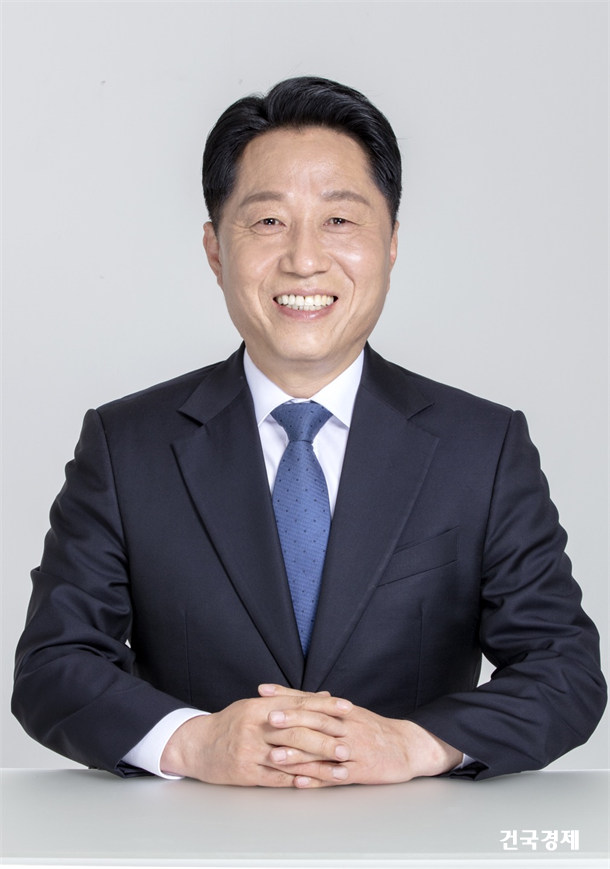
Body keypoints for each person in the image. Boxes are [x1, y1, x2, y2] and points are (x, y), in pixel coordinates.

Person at [13, 76, 606, 788]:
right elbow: (54, 665)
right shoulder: (125, 445)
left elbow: (564, 670)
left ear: (391, 243)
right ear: (214, 249)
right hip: (191, 833)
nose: (303, 258)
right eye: (268, 221)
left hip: (419, 833)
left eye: (339, 220)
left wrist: (413, 745)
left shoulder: (482, 447)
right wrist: (195, 742)